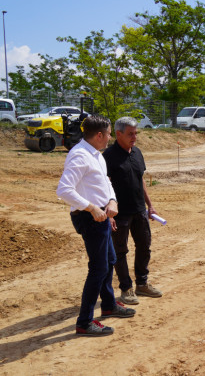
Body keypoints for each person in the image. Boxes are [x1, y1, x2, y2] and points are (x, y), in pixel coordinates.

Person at [57, 115, 136, 337]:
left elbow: (106, 183)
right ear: (99, 135)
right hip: (89, 219)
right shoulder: (80, 156)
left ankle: (109, 304)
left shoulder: (96, 155)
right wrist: (92, 208)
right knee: (99, 268)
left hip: (102, 216)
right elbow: (64, 190)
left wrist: (111, 201)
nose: (110, 137)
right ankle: (84, 321)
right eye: (109, 133)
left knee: (110, 260)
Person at [103, 116, 163, 305]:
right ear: (118, 134)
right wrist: (108, 213)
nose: (134, 137)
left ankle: (142, 284)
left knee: (144, 247)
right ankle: (126, 288)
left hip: (139, 211)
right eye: (130, 134)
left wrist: (150, 205)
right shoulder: (108, 157)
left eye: (136, 133)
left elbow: (141, 180)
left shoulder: (137, 153)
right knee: (120, 251)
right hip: (120, 214)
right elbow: (104, 186)